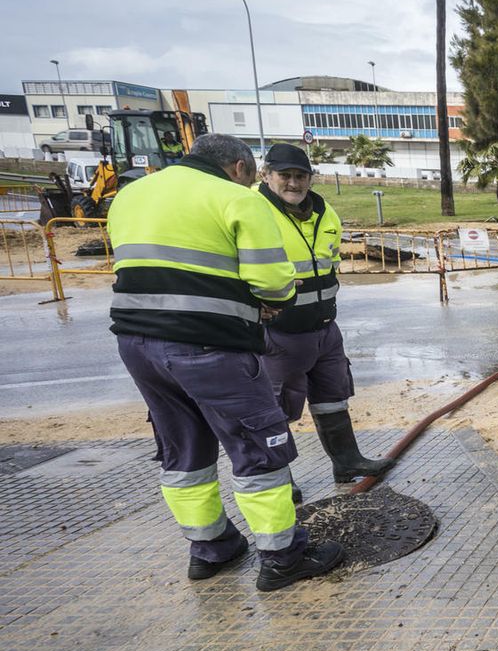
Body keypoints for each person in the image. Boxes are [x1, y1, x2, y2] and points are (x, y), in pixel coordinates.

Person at [106, 133, 344, 590]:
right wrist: (270, 302)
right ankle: (283, 557)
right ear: (239, 168)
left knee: (182, 449)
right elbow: (273, 281)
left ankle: (211, 548)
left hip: (138, 346)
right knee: (259, 448)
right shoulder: (237, 198)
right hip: (209, 346)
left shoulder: (131, 194)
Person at [256, 143, 394, 497]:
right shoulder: (254, 212)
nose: (293, 183)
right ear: (266, 174)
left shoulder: (324, 211)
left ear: (310, 178)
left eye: (300, 176)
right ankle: (278, 479)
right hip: (278, 330)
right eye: (284, 175)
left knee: (333, 396)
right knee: (275, 409)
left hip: (323, 327)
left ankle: (347, 461)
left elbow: (328, 262)